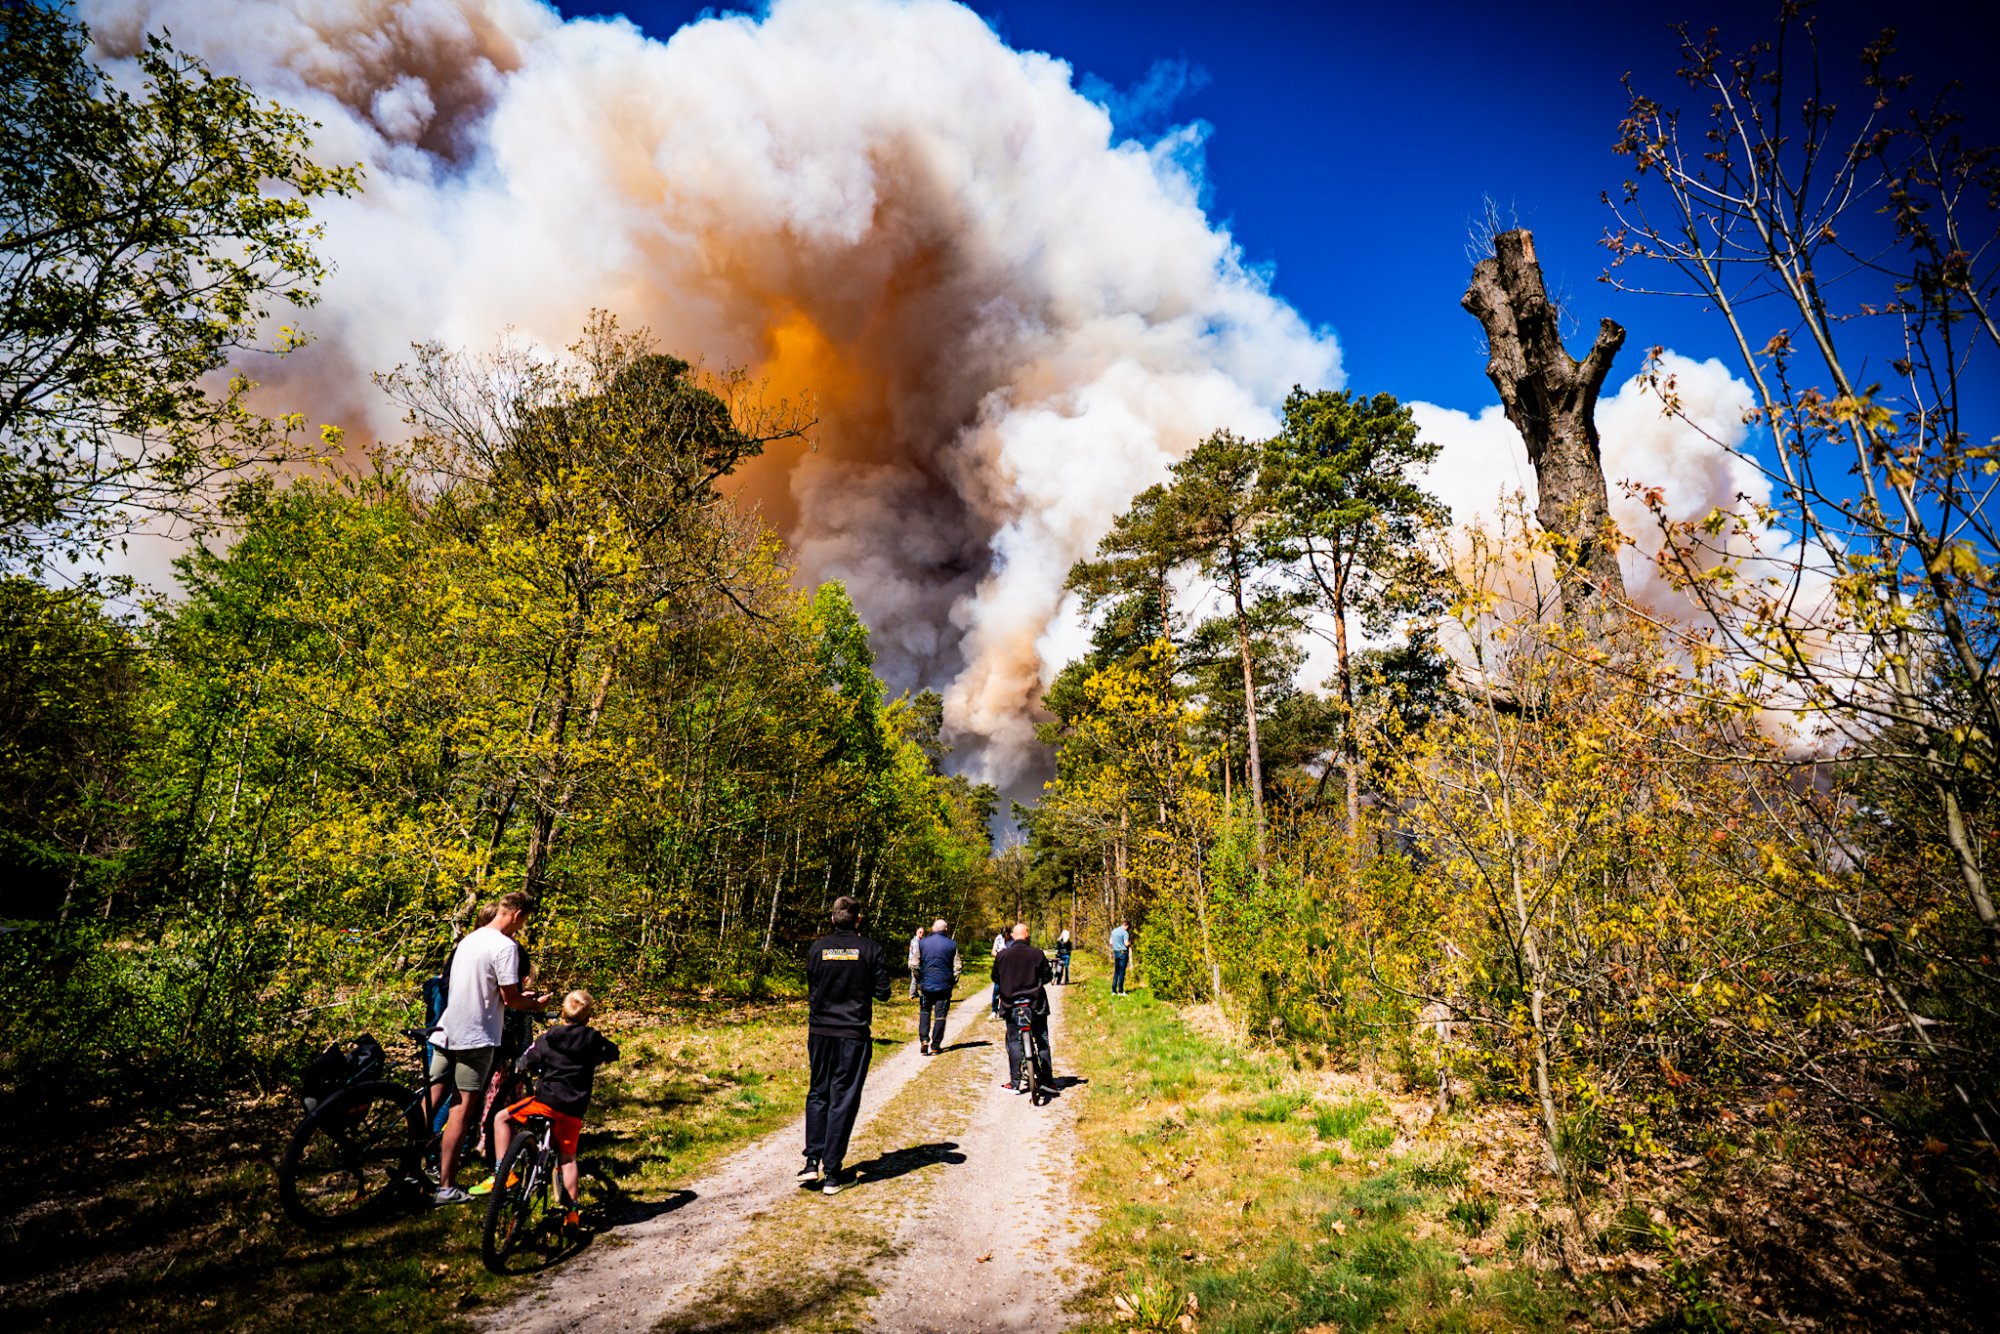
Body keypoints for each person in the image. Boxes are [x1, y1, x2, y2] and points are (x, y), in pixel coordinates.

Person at [430, 891, 548, 1204]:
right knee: (461, 1108)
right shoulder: (505, 947)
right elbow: (511, 999)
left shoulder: (469, 940)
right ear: (518, 914)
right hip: (476, 1036)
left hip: (445, 1029)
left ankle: (411, 1167)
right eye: (523, 921)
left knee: (431, 1100)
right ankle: (446, 1186)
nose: (521, 927)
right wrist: (534, 1004)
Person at [475, 990, 619, 1228]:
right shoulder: (594, 1040)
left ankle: (503, 1173)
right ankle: (572, 1213)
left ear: (563, 1012)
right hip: (573, 1109)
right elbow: (613, 1052)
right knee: (568, 1158)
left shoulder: (548, 1038)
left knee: (501, 1118)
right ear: (588, 1017)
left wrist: (524, 1066)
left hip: (546, 1102)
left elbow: (526, 1060)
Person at [803, 895, 890, 1195]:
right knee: (843, 1099)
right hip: (852, 1033)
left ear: (832, 918)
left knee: (818, 1092)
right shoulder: (870, 949)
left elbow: (813, 986)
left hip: (820, 1032)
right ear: (858, 919)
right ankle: (832, 1173)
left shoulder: (817, 949)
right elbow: (883, 992)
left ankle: (812, 1161)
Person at [992, 922, 1053, 1094]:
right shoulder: (1037, 953)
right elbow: (1047, 976)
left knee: (1013, 1042)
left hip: (1011, 1005)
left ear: (1013, 936)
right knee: (1042, 1041)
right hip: (1036, 1004)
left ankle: (1015, 1083)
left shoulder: (1002, 955)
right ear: (1027, 935)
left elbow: (995, 977)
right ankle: (1048, 1081)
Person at [915, 918, 961, 1055]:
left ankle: (924, 1039)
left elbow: (914, 964)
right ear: (946, 930)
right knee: (940, 1016)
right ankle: (935, 1045)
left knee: (925, 1012)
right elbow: (957, 966)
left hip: (926, 985)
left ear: (933, 928)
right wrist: (953, 981)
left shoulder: (922, 943)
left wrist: (919, 979)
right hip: (944, 986)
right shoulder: (952, 944)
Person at [990, 926, 1011, 1015]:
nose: (1005, 937)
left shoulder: (1013, 940)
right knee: (997, 988)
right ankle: (994, 1010)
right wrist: (1000, 956)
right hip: (999, 965)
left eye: (1006, 935)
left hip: (1010, 967)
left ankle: (1006, 1008)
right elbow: (993, 952)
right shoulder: (998, 938)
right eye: (1003, 935)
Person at [1109, 920, 1132, 996]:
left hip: (1116, 952)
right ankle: (1121, 991)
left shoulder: (1114, 931)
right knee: (1122, 973)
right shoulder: (1125, 933)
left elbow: (1111, 942)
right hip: (1123, 953)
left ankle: (1113, 991)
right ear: (1127, 925)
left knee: (1116, 972)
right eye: (1128, 927)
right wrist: (1130, 943)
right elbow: (1126, 943)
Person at [907, 925, 925, 1000]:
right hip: (915, 963)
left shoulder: (918, 941)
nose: (921, 934)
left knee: (915, 978)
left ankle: (913, 993)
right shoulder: (915, 941)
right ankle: (916, 993)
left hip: (913, 962)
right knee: (921, 978)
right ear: (916, 932)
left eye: (922, 932)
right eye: (920, 932)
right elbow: (917, 953)